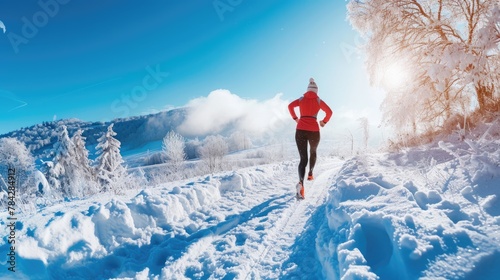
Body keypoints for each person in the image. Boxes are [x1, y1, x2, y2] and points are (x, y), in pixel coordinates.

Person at [288, 78, 332, 199]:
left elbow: (290, 106)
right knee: (313, 152)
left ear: (307, 90)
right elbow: (329, 112)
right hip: (314, 131)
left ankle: (301, 183)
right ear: (316, 91)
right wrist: (323, 122)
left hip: (300, 130)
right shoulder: (318, 100)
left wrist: (295, 118)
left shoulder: (301, 99)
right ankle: (311, 174)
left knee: (303, 159)